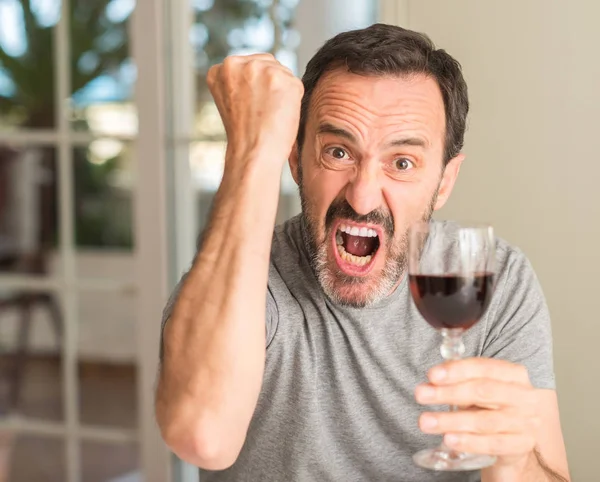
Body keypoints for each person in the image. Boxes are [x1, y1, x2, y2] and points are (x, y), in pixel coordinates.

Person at [155, 24, 570, 482]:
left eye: (403, 162)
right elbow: (201, 437)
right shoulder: (246, 277)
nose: (363, 196)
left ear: (445, 181)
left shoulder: (493, 278)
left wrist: (514, 462)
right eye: (337, 152)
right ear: (295, 159)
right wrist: (252, 151)